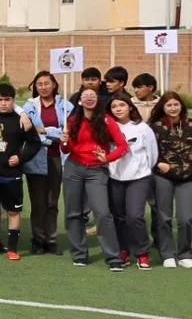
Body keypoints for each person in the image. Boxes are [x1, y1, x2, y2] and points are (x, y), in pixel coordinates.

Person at [62, 87, 128, 269]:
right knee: (73, 212)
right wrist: (64, 140)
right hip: (74, 167)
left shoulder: (107, 121)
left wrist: (107, 158)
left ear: (98, 100)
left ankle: (113, 257)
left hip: (97, 170)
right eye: (85, 96)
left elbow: (122, 146)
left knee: (103, 213)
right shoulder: (72, 120)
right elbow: (65, 150)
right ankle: (79, 254)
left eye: (93, 96)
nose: (89, 98)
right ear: (80, 101)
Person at [0, 83, 40, 260]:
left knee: (13, 212)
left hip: (11, 176)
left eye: (7, 99)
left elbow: (35, 143)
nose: (4, 103)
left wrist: (21, 158)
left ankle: (12, 248)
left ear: (13, 100)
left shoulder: (21, 120)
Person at [20, 71, 72, 256]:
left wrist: (46, 131)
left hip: (57, 157)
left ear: (54, 85)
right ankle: (38, 240)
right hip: (35, 156)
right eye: (39, 84)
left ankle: (51, 239)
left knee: (52, 200)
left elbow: (68, 131)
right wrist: (53, 133)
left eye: (46, 83)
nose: (43, 87)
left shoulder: (66, 106)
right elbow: (31, 130)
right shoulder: (29, 106)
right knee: (37, 201)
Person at [107, 93, 158, 271]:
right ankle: (123, 250)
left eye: (122, 105)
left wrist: (143, 170)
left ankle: (142, 253)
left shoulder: (142, 128)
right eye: (114, 106)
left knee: (135, 216)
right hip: (115, 178)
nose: (118, 109)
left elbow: (152, 154)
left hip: (139, 178)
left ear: (130, 107)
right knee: (119, 217)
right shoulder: (107, 128)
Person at [150, 93, 192, 268]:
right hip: (163, 176)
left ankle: (185, 253)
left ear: (181, 106)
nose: (173, 108)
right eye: (169, 105)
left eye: (176, 104)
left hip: (188, 177)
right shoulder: (155, 127)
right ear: (163, 107)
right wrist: (159, 162)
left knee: (186, 218)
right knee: (163, 216)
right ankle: (167, 253)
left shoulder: (190, 125)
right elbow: (149, 150)